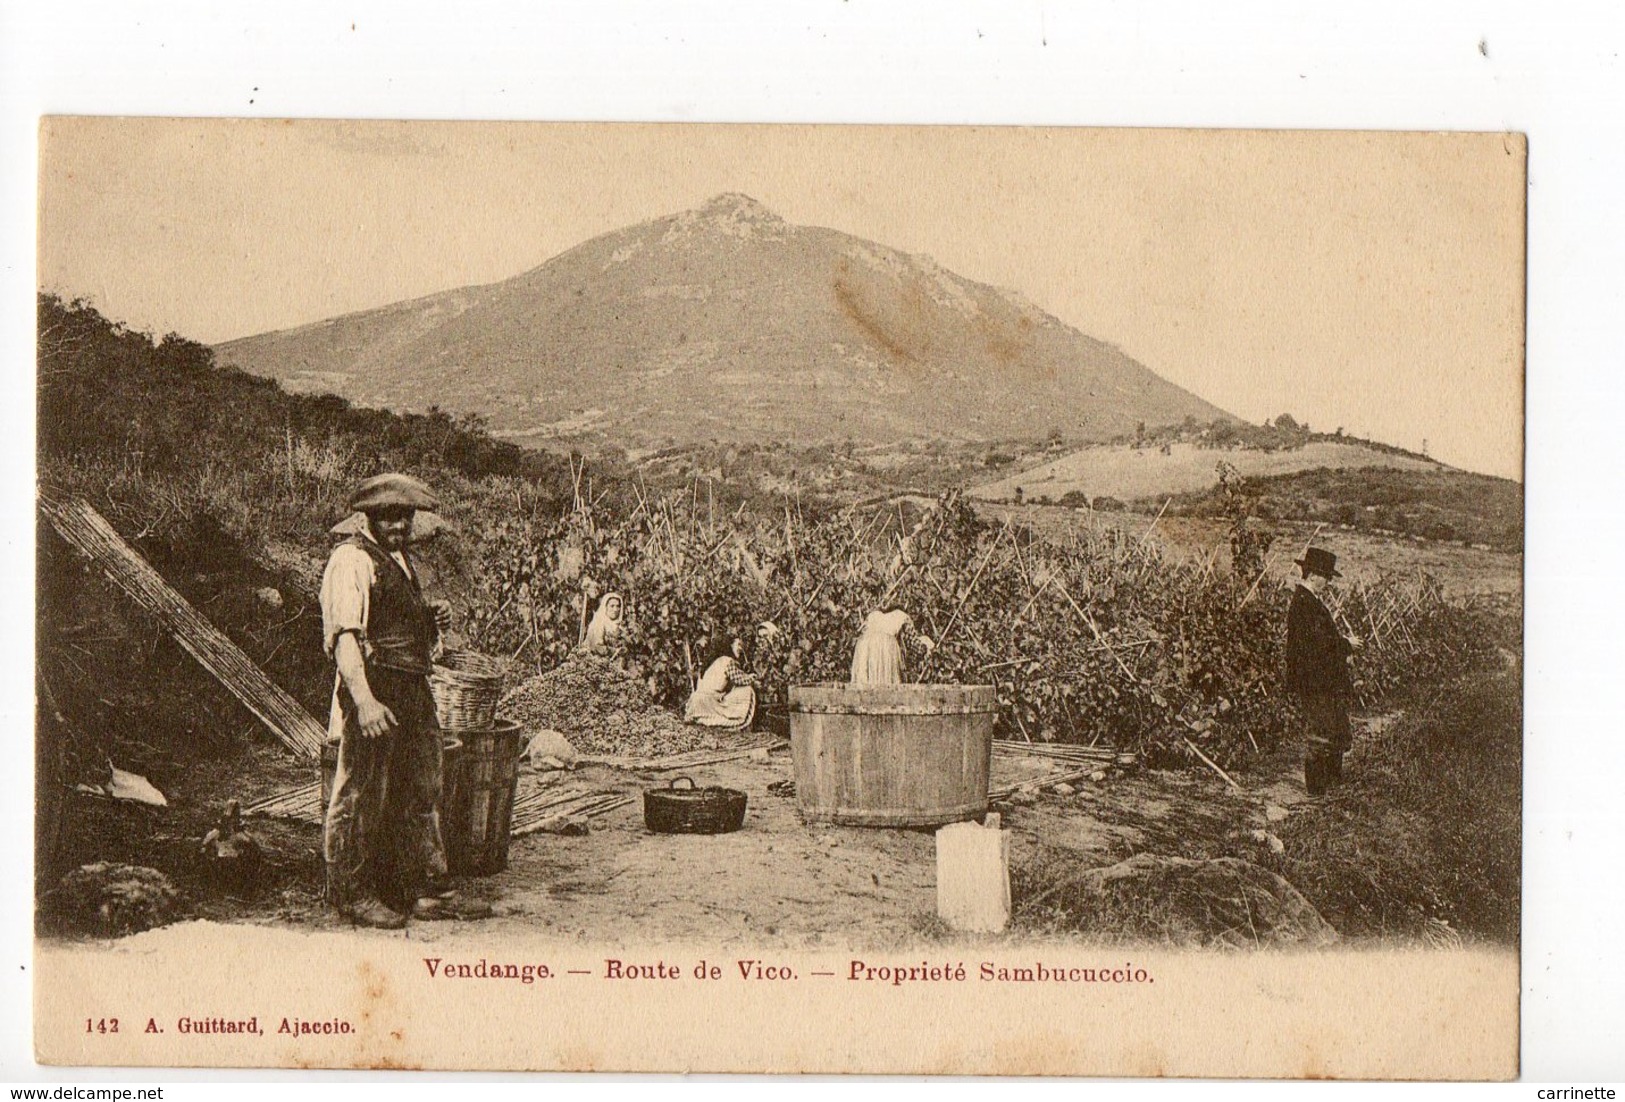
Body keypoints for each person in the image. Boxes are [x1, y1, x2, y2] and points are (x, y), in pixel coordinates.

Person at [320, 473, 490, 928]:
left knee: (421, 789)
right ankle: (350, 893)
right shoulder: (351, 561)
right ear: (368, 517)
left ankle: (424, 890)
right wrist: (366, 702)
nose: (398, 525)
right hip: (377, 689)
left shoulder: (399, 559)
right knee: (361, 792)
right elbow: (346, 639)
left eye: (405, 517)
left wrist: (434, 620)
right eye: (388, 517)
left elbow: (401, 629)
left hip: (413, 689)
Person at [1284, 546, 1361, 796]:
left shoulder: (1308, 602)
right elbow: (1319, 643)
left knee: (1335, 729)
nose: (1328, 583)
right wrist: (1346, 644)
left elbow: (1322, 641)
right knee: (1322, 733)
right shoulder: (1305, 604)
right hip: (1314, 681)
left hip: (1323, 679)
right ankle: (1317, 791)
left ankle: (1331, 785)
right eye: (1326, 577)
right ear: (1314, 575)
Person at [683, 636, 759, 730]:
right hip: (708, 701)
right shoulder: (727, 661)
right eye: (738, 644)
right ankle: (739, 720)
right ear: (729, 645)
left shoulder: (714, 661)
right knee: (747, 690)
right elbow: (740, 679)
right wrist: (752, 678)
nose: (740, 648)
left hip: (697, 701)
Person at [850, 607, 935, 685]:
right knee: (885, 678)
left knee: (868, 680)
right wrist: (927, 648)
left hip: (864, 647)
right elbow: (913, 643)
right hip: (884, 648)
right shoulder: (902, 616)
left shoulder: (873, 615)